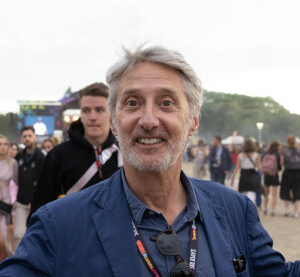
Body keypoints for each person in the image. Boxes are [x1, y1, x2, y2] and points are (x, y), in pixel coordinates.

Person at [0, 45, 299, 276]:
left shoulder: (235, 211)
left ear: (193, 120)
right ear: (115, 122)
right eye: (132, 103)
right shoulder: (58, 224)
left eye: (166, 103)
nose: (148, 120)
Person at [29, 82, 123, 219]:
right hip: (71, 234)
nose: (92, 117)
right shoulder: (58, 155)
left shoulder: (125, 153)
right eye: (86, 110)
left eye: (100, 110)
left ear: (111, 113)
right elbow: (40, 205)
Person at [13, 126, 45, 250]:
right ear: (22, 138)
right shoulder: (19, 156)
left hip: (37, 202)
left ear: (35, 137)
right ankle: (17, 263)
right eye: (25, 136)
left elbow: (44, 180)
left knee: (35, 234)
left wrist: (38, 199)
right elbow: (15, 178)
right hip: (21, 201)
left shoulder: (41, 156)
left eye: (29, 136)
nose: (27, 138)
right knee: (18, 235)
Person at [0, 135, 18, 259]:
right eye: (0, 144)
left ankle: (8, 261)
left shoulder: (13, 163)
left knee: (6, 236)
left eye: (5, 144)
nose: (3, 147)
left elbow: (17, 183)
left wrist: (15, 200)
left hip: (6, 203)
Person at [230, 138, 263, 204]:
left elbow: (237, 167)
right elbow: (260, 168)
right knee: (251, 195)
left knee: (243, 196)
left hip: (243, 176)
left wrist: (232, 177)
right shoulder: (256, 155)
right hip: (253, 176)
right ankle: (250, 210)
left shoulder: (240, 155)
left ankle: (244, 211)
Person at [280, 134, 300, 218]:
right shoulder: (299, 149)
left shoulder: (284, 150)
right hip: (298, 172)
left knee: (285, 190)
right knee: (297, 191)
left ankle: (287, 209)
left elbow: (281, 163)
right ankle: (296, 212)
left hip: (287, 172)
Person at [261, 140, 282, 216]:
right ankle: (272, 210)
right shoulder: (277, 155)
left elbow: (262, 162)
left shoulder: (265, 154)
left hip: (266, 175)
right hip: (274, 175)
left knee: (266, 193)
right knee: (274, 193)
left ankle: (265, 208)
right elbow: (279, 167)